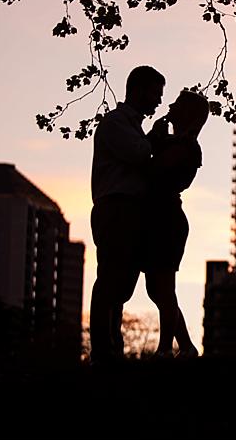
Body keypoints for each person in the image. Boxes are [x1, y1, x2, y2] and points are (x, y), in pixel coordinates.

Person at [89, 65, 167, 365]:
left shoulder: (130, 126)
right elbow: (139, 153)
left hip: (129, 210)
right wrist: (155, 139)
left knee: (121, 282)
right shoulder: (115, 124)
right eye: (155, 94)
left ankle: (111, 346)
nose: (158, 101)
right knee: (110, 279)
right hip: (116, 208)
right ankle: (103, 349)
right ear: (139, 89)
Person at [143, 90, 209, 358]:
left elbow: (153, 170)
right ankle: (187, 347)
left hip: (167, 220)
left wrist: (154, 141)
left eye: (177, 104)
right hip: (158, 217)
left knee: (163, 287)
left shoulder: (187, 147)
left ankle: (164, 349)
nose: (169, 105)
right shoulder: (173, 142)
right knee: (157, 289)